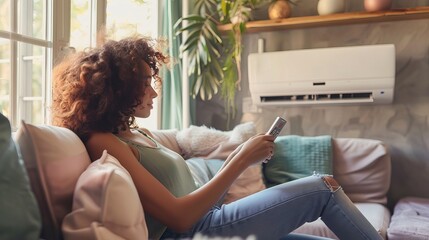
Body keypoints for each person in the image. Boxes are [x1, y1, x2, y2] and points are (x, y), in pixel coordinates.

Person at [52, 36, 382, 240]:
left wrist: (242, 157)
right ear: (118, 87)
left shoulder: (138, 133)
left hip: (210, 221)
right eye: (145, 82)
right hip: (194, 232)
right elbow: (179, 218)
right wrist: (240, 159)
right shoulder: (101, 142)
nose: (154, 91)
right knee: (321, 188)